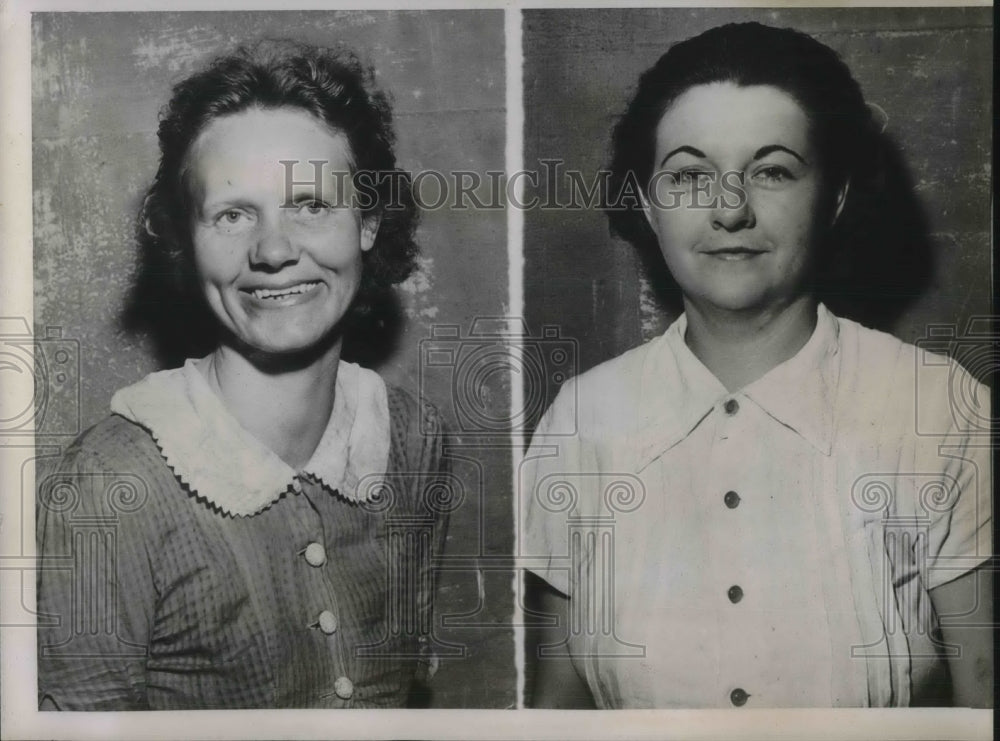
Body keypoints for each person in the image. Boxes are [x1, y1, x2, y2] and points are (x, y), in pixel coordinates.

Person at [521, 22, 992, 708]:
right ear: (649, 203)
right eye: (688, 174)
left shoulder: (941, 407)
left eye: (772, 170)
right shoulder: (582, 419)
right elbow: (556, 710)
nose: (729, 209)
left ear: (832, 196)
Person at [36, 40, 450, 709]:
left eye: (311, 204)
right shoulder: (108, 486)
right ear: (186, 237)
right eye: (232, 213)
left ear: (368, 220)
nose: (274, 249)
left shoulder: (413, 439)